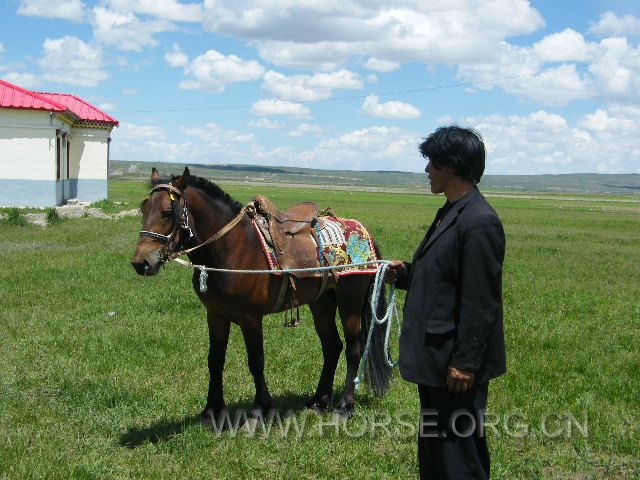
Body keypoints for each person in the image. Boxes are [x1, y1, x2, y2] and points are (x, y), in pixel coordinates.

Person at [384, 126, 506, 479]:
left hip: (455, 366)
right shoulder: (452, 211)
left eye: (432, 163)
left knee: (460, 457)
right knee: (437, 453)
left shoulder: (480, 221)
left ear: (451, 166)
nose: (426, 171)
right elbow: (444, 277)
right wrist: (405, 274)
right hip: (439, 360)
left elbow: (481, 301)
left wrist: (465, 364)